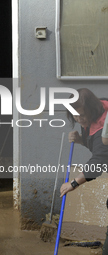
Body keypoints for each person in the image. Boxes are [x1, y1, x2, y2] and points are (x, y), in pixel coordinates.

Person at [59, 88, 108, 254]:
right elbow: (99, 150)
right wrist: (82, 140)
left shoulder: (104, 125)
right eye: (75, 115)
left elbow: (98, 162)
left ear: (92, 111)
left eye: (82, 116)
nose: (79, 119)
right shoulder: (98, 108)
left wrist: (73, 183)